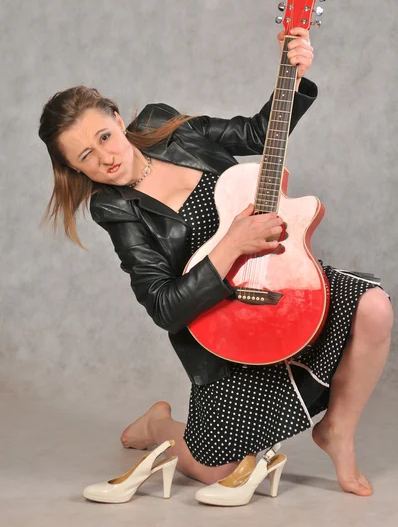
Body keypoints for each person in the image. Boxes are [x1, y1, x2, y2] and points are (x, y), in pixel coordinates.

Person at [38, 27, 393, 499]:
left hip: (280, 283)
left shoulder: (169, 127)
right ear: (75, 169)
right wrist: (232, 243)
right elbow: (164, 306)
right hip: (221, 326)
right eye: (86, 155)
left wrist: (295, 76)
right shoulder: (115, 208)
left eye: (105, 136)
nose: (105, 156)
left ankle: (337, 434)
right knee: (215, 472)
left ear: (119, 119)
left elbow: (255, 133)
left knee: (374, 308)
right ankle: (161, 425)